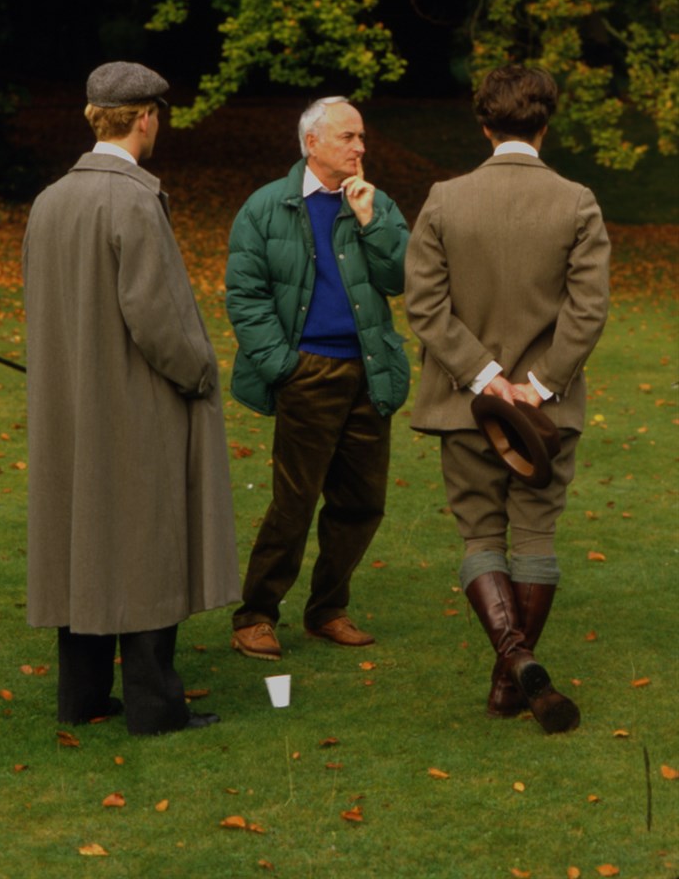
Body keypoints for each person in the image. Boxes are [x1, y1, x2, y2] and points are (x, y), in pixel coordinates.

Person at [22, 61, 240, 735]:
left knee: (82, 539)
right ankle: (154, 703)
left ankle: (82, 696)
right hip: (132, 402)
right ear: (146, 117)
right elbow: (161, 320)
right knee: (145, 539)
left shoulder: (51, 199)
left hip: (67, 404)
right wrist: (201, 372)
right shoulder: (133, 200)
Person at [404, 65, 610, 733]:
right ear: (545, 123)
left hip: (467, 406)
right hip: (546, 415)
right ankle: (507, 684)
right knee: (536, 533)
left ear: (484, 124)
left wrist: (484, 376)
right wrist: (539, 385)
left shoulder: (443, 199)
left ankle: (511, 669)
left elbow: (426, 307)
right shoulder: (577, 202)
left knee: (479, 533)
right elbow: (590, 309)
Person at [225, 96, 410, 661]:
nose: (360, 147)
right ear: (312, 143)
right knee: (294, 503)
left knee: (361, 503)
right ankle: (255, 615)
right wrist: (284, 365)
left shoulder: (375, 203)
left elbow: (402, 276)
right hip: (306, 372)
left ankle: (327, 610)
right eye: (348, 137)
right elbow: (245, 296)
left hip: (369, 372)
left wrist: (369, 219)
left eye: (361, 138)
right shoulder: (266, 207)